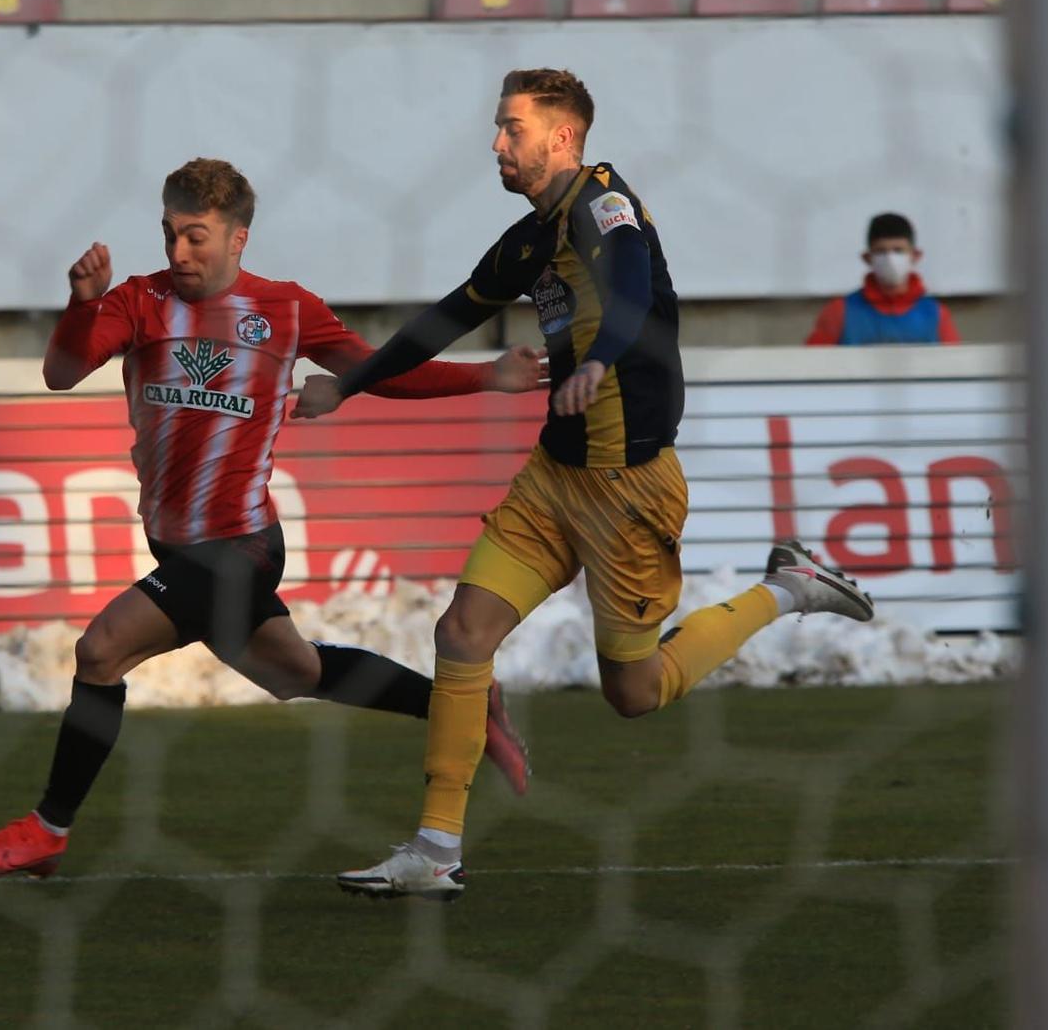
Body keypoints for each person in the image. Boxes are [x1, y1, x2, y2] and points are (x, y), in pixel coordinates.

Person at [294, 69, 875, 900]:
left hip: (630, 487)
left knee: (634, 693)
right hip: (554, 476)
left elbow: (633, 284)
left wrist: (599, 359)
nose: (498, 143)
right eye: (499, 127)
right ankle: (435, 848)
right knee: (461, 634)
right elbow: (443, 318)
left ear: (562, 137)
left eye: (512, 127)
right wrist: (345, 386)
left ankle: (786, 588)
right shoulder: (530, 240)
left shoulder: (605, 206)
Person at [0, 158, 543, 878]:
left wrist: (488, 376)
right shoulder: (139, 302)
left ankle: (48, 829)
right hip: (179, 550)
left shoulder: (287, 309)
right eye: (170, 235)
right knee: (296, 672)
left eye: (196, 238)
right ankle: (464, 706)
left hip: (243, 544)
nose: (179, 253)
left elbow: (375, 367)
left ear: (238, 239)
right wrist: (83, 302)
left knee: (102, 648)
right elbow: (62, 371)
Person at [805, 212, 961, 346]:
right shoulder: (840, 312)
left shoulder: (936, 315)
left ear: (915, 256)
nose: (890, 258)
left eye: (898, 250)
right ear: (867, 258)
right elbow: (811, 366)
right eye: (881, 251)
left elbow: (956, 369)